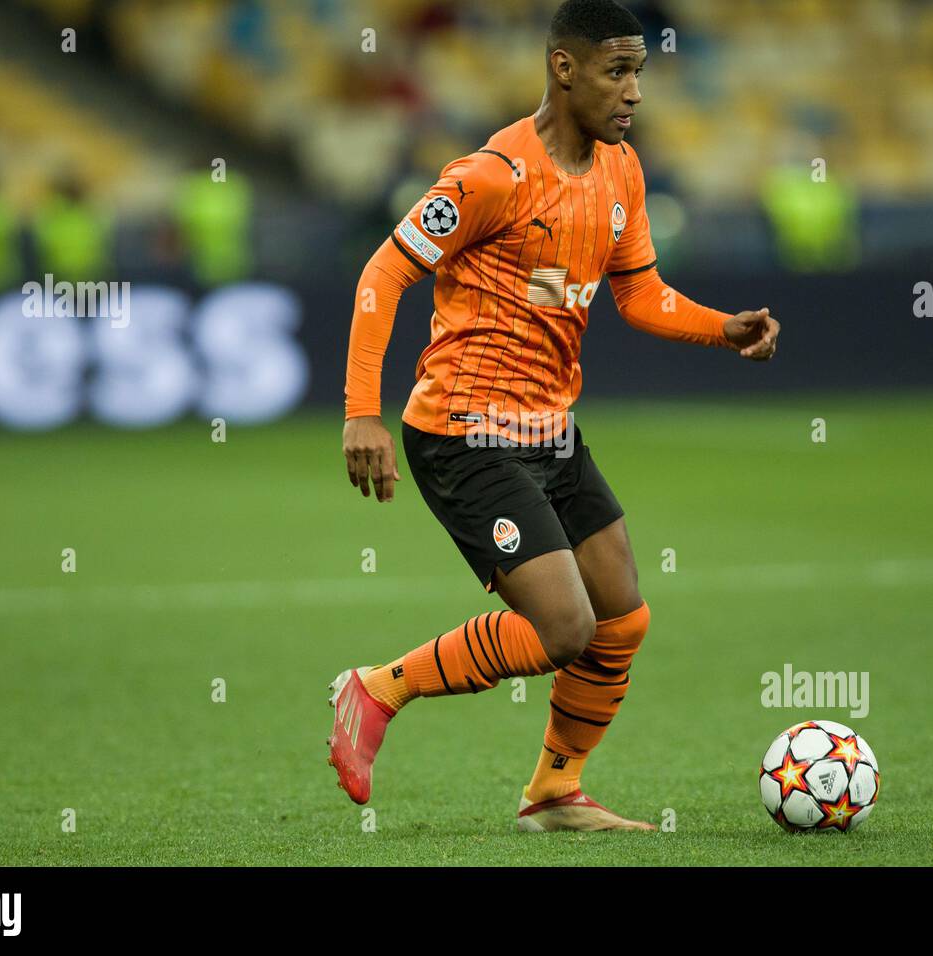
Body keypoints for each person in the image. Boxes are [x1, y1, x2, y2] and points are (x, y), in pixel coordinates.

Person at [330, 0, 779, 832]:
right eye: (618, 71)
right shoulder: (489, 177)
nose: (635, 91)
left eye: (640, 72)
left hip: (550, 428)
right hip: (465, 432)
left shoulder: (623, 172)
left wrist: (723, 328)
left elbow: (638, 292)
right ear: (563, 69)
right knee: (565, 628)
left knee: (622, 618)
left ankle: (553, 794)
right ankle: (377, 688)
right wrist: (364, 413)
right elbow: (381, 276)